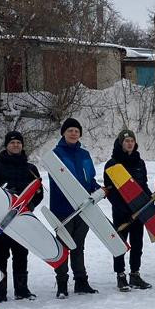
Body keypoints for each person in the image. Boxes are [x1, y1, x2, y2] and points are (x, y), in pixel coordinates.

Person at [0, 131, 42, 302]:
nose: (15, 145)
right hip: (0, 219)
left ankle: (22, 289)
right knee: (0, 256)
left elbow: (38, 193)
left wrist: (28, 207)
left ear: (22, 145)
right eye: (12, 143)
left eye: (18, 142)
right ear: (6, 145)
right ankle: (0, 291)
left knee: (21, 254)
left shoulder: (30, 168)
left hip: (22, 220)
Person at [49, 118, 100, 298]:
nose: (73, 133)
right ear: (64, 133)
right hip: (62, 209)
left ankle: (81, 282)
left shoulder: (84, 155)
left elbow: (89, 178)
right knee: (63, 247)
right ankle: (62, 283)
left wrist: (96, 189)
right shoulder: (55, 154)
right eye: (70, 130)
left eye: (76, 131)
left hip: (84, 208)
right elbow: (56, 180)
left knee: (79, 246)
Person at [103, 129, 153, 291]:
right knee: (120, 244)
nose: (129, 143)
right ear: (120, 143)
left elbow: (143, 185)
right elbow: (110, 191)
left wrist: (148, 198)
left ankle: (135, 275)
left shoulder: (140, 162)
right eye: (126, 141)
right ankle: (121, 276)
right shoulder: (112, 164)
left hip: (139, 210)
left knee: (137, 244)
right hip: (121, 212)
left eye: (132, 140)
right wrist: (123, 208)